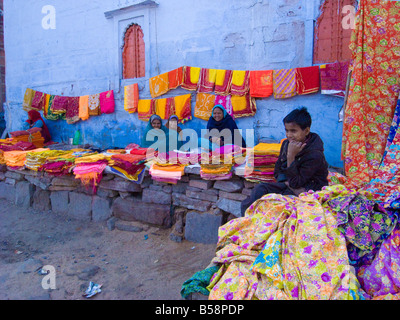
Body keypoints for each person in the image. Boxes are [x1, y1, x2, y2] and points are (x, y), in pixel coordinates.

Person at [241, 107, 329, 216]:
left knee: (282, 207)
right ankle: (246, 219)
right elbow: (277, 171)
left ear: (306, 131)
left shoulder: (315, 154)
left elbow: (297, 183)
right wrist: (285, 181)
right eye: (287, 130)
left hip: (309, 188)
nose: (289, 135)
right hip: (288, 183)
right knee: (259, 189)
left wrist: (291, 156)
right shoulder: (286, 144)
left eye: (293, 131)